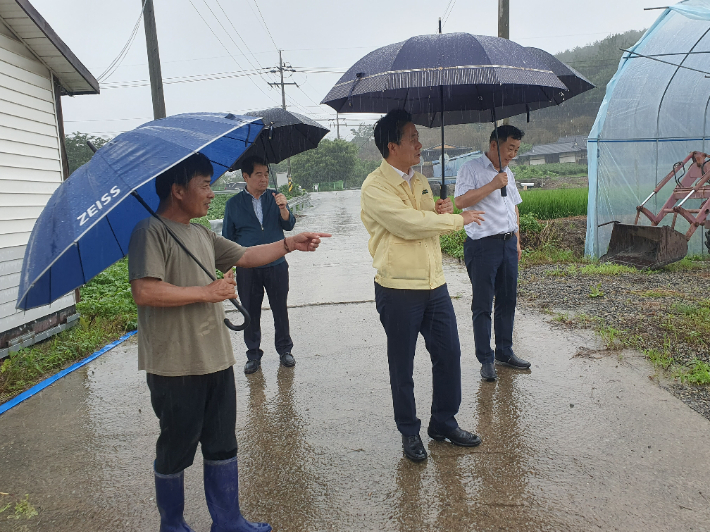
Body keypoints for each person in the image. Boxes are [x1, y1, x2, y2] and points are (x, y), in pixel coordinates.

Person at [128, 152, 329, 532]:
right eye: (204, 185)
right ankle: (172, 524)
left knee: (222, 442)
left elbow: (248, 255)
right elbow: (145, 291)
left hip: (215, 357)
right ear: (177, 190)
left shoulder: (202, 234)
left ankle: (228, 520)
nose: (210, 193)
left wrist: (290, 244)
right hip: (174, 364)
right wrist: (207, 292)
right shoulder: (149, 232)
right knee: (176, 446)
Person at [360, 109, 485, 463]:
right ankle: (409, 431)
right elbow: (409, 225)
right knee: (403, 363)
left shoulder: (419, 181)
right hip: (398, 287)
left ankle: (443, 422)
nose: (420, 144)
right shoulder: (375, 187)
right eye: (412, 138)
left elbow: (428, 219)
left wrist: (443, 210)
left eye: (418, 136)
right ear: (391, 146)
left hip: (435, 283)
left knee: (449, 355)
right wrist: (456, 220)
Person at [454, 125, 530, 383]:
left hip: (508, 244)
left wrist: (517, 241)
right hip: (483, 246)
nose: (513, 155)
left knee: (508, 300)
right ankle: (486, 359)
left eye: (516, 150)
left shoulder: (508, 171)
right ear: (494, 144)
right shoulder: (470, 169)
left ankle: (504, 352)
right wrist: (492, 184)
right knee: (483, 305)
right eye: (510, 148)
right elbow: (461, 202)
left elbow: (513, 208)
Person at [222, 156, 297, 375]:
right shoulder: (233, 204)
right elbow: (227, 238)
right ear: (246, 176)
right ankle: (253, 355)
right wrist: (228, 268)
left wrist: (283, 208)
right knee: (251, 312)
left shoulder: (275, 198)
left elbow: (289, 225)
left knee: (280, 309)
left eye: (266, 174)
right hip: (248, 268)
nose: (264, 179)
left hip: (277, 265)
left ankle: (285, 350)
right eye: (258, 174)